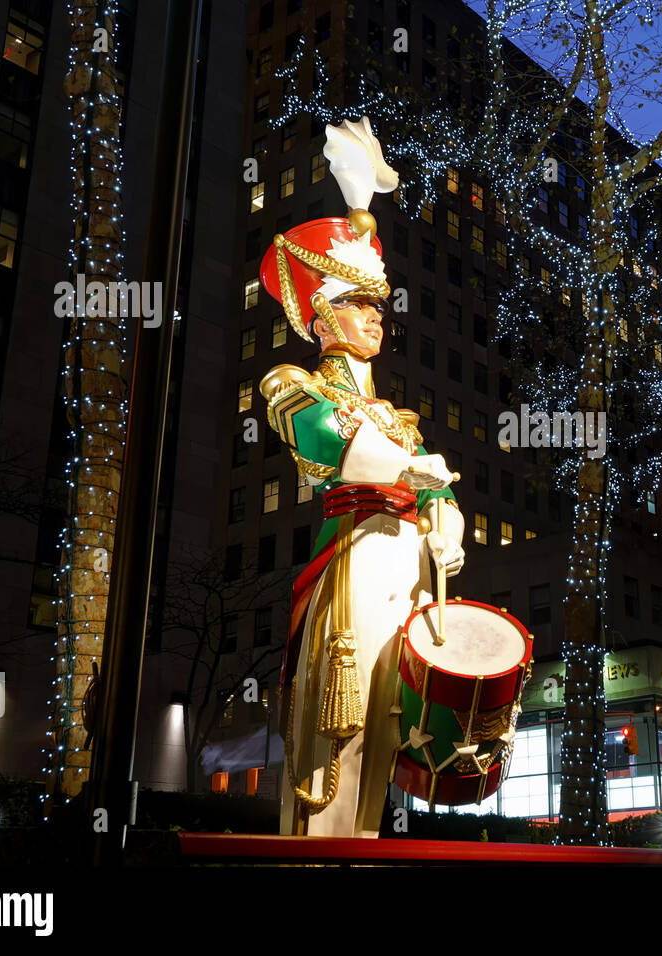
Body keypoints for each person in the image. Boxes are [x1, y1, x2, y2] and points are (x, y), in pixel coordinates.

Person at [258, 118, 466, 837]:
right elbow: (329, 443)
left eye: (378, 304)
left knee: (384, 743)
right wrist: (413, 470)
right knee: (333, 749)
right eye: (357, 303)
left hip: (405, 575)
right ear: (319, 315)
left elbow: (440, 493)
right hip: (349, 564)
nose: (375, 317)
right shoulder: (294, 386)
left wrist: (446, 528)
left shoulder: (397, 415)